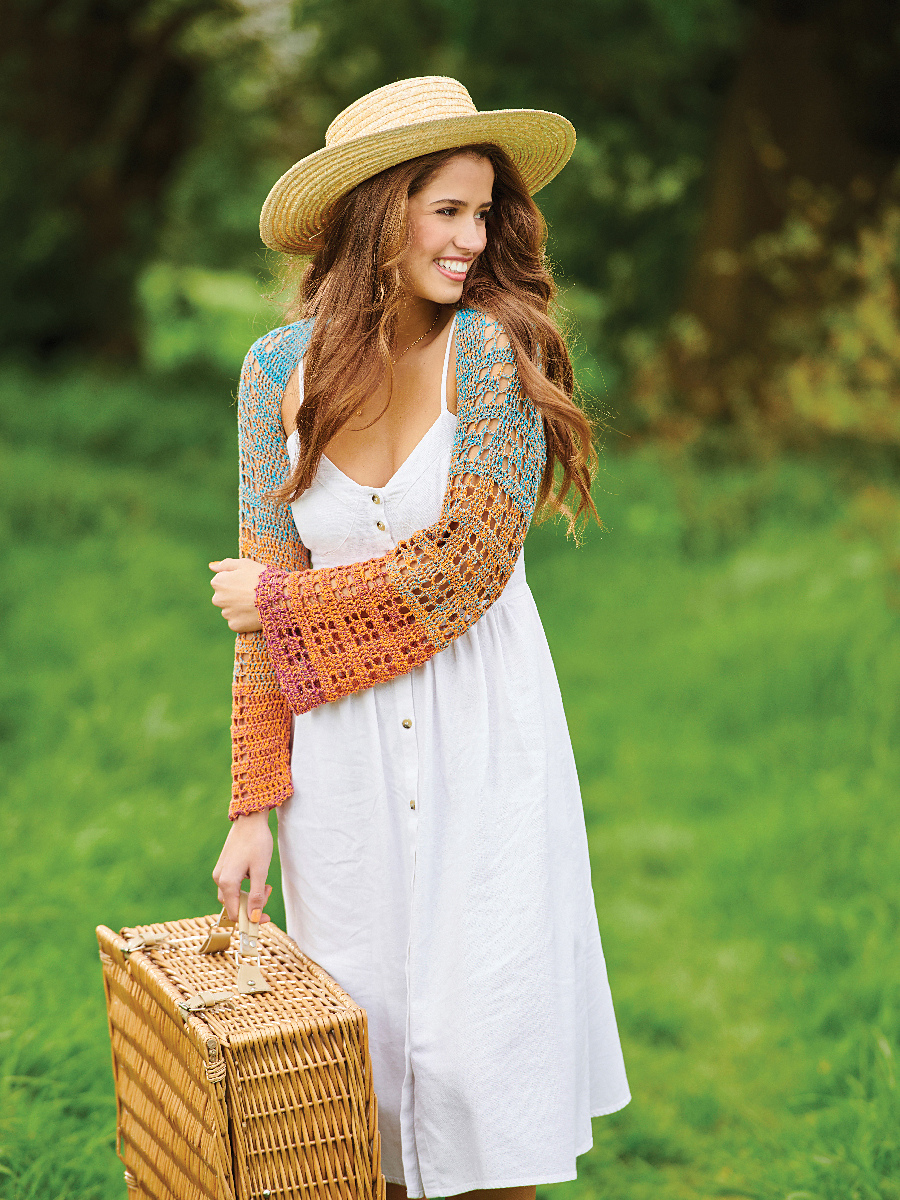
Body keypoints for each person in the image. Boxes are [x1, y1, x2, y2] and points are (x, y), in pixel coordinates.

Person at [208, 76, 630, 1200]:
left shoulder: (492, 351)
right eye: (447, 210)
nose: (473, 239)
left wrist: (283, 604)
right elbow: (265, 611)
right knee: (362, 1080)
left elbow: (467, 565)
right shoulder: (273, 374)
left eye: (484, 212)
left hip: (486, 746)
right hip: (338, 766)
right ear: (377, 213)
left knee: (489, 1069)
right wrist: (252, 804)